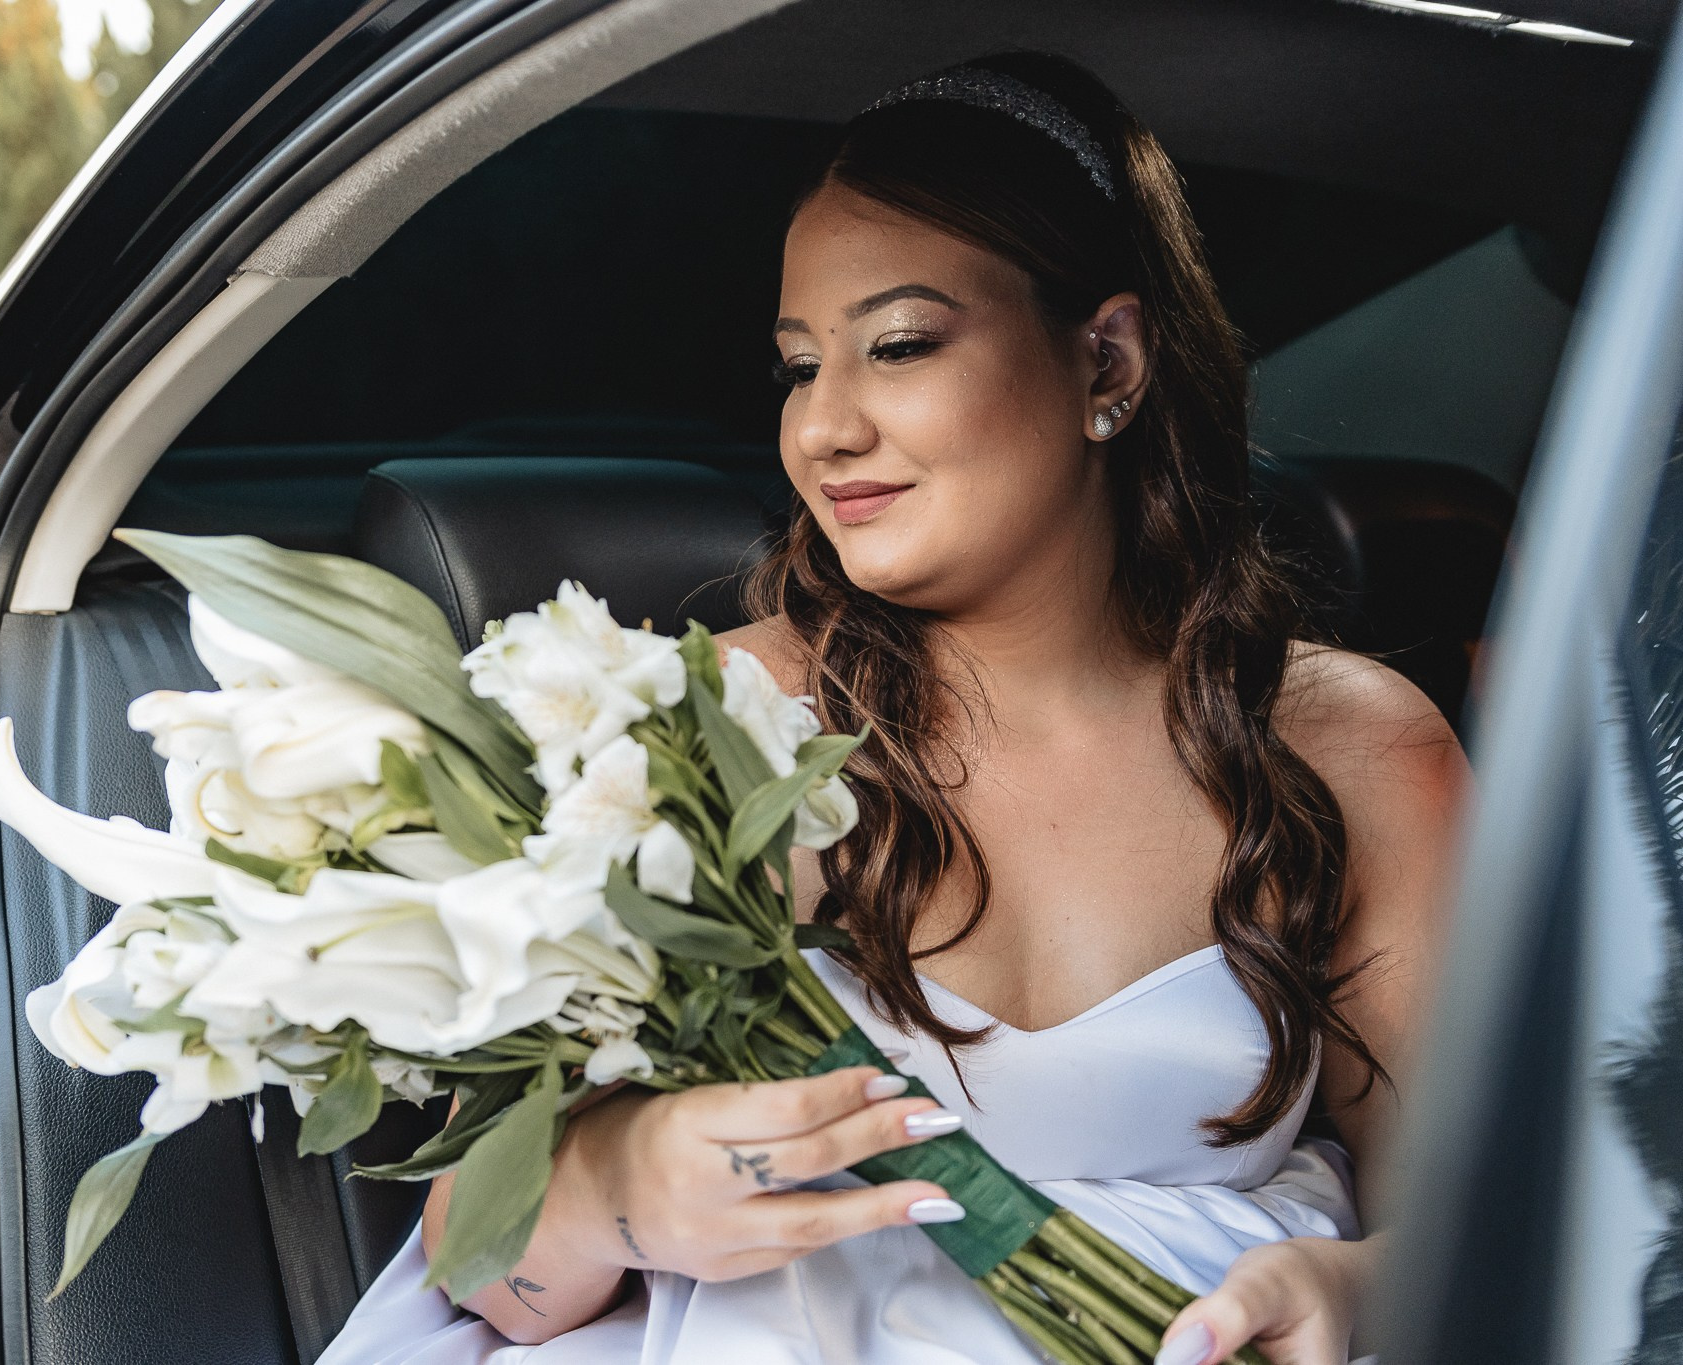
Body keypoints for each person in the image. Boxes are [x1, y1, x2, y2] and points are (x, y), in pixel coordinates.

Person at [320, 51, 1464, 1365]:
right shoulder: (696, 732)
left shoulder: (1358, 753)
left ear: (1108, 360)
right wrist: (628, 1178)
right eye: (800, 367)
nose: (824, 428)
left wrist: (1352, 1290)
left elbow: (1503, 1226)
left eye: (899, 345)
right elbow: (485, 1267)